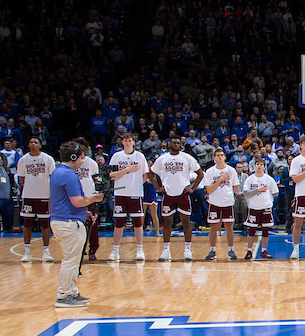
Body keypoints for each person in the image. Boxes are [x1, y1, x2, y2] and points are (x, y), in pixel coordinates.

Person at [49, 140, 103, 307]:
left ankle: (72, 292)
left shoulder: (58, 172)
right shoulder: (69, 175)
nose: (83, 160)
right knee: (71, 261)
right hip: (68, 223)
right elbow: (78, 201)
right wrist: (95, 198)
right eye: (81, 157)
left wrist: (84, 213)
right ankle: (63, 296)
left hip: (63, 220)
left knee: (73, 260)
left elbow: (66, 201)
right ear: (73, 157)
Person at [150, 136, 204, 262]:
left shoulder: (186, 157)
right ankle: (166, 251)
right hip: (168, 194)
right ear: (169, 144)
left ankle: (187, 250)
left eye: (178, 142)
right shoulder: (163, 158)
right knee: (167, 223)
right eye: (173, 142)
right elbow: (150, 173)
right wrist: (158, 187)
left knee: (186, 222)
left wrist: (192, 188)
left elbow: (200, 173)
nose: (175, 144)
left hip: (183, 194)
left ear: (181, 144)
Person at [108, 131, 148, 261]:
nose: (127, 143)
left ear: (134, 142)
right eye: (125, 140)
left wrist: (136, 183)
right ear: (122, 142)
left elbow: (146, 174)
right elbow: (111, 175)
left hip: (135, 193)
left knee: (137, 222)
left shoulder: (140, 156)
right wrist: (126, 171)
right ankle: (115, 250)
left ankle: (140, 249)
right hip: (120, 193)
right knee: (119, 223)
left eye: (130, 140)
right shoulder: (116, 156)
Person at [16, 137, 55, 263]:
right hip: (28, 195)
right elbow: (22, 179)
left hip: (44, 195)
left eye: (36, 142)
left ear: (40, 145)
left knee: (45, 224)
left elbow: (53, 177)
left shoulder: (47, 159)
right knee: (27, 223)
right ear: (28, 144)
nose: (33, 143)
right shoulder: (23, 160)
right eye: (31, 142)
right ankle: (27, 251)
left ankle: (46, 251)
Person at [201, 149, 240, 260]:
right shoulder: (209, 171)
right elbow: (208, 189)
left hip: (227, 202)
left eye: (221, 155)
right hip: (214, 202)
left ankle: (231, 250)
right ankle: (213, 250)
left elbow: (236, 187)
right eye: (217, 155)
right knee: (213, 227)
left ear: (224, 157)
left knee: (229, 227)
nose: (219, 157)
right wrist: (220, 180)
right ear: (214, 158)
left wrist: (224, 190)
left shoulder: (231, 170)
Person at [241, 157, 279, 260]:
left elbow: (275, 193)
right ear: (254, 166)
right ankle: (249, 251)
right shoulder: (250, 179)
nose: (259, 166)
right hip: (253, 208)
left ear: (264, 167)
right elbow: (245, 193)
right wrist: (258, 190)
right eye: (257, 164)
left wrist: (267, 196)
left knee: (265, 230)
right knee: (252, 230)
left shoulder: (268, 178)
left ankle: (264, 250)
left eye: (261, 164)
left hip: (266, 207)